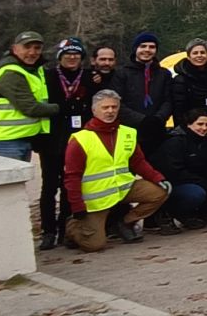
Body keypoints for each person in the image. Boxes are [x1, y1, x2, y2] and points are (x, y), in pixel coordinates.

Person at [62, 88, 171, 250]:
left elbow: (138, 162)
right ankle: (73, 228)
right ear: (94, 110)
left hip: (123, 187)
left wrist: (158, 178)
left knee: (160, 192)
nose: (110, 111)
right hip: (97, 199)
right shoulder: (81, 140)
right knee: (94, 245)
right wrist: (77, 207)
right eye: (105, 108)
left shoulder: (128, 133)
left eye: (114, 107)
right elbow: (72, 177)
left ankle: (125, 223)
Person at [38, 39, 94, 253]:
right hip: (51, 139)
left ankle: (66, 230)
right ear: (60, 56)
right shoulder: (47, 76)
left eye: (76, 54)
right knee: (49, 186)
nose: (72, 58)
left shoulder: (89, 77)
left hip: (79, 140)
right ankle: (48, 231)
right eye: (67, 54)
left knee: (71, 185)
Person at [0, 30, 57, 164]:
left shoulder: (34, 70)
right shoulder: (11, 73)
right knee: (8, 183)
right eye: (27, 47)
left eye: (37, 48)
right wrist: (62, 108)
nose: (32, 52)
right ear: (15, 49)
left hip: (20, 138)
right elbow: (30, 108)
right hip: (5, 140)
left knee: (18, 182)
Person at [157, 108, 207, 229]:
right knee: (197, 194)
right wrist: (203, 182)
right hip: (178, 184)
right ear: (189, 124)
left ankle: (200, 212)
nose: (204, 128)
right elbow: (175, 171)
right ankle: (177, 213)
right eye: (200, 124)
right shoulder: (175, 141)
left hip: (199, 180)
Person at [112, 32, 173, 155]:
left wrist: (159, 118)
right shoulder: (122, 73)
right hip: (130, 130)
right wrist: (141, 120)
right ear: (136, 49)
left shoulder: (164, 74)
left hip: (157, 128)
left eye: (151, 47)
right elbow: (117, 102)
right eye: (143, 46)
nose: (147, 50)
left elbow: (169, 100)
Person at [168, 39, 207, 130]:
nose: (199, 55)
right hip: (189, 126)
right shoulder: (180, 79)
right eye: (195, 53)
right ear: (188, 56)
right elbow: (178, 109)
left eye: (202, 52)